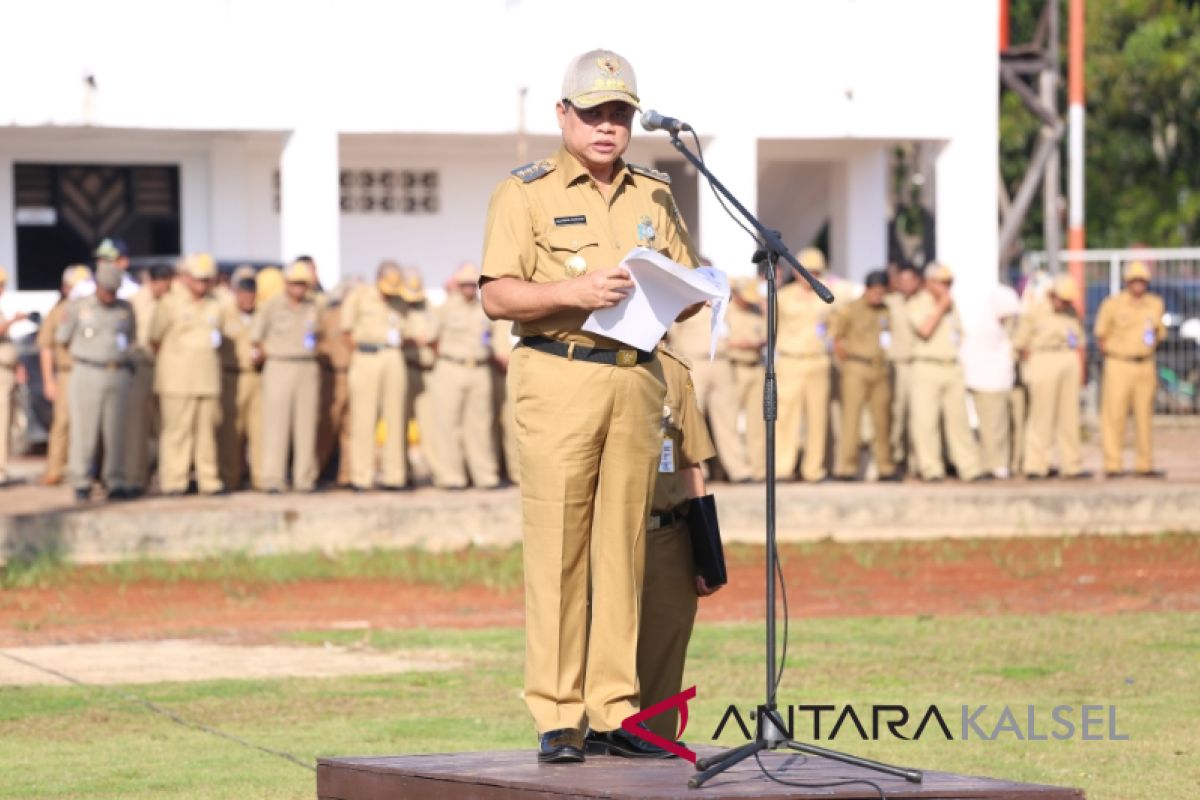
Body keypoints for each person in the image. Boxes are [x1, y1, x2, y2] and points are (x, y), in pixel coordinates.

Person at [479, 48, 700, 763]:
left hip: (637, 379)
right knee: (559, 551)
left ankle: (614, 709)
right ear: (564, 114)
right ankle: (558, 714)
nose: (609, 127)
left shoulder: (655, 193)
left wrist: (695, 289)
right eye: (595, 112)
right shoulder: (526, 192)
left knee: (623, 550)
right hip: (560, 376)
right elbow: (496, 294)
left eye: (621, 114)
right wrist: (572, 294)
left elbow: (685, 278)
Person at [636, 344, 721, 741]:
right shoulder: (585, 363)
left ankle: (657, 753)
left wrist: (707, 555)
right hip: (608, 540)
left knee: (665, 660)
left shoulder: (672, 368)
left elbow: (690, 465)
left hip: (668, 536)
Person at [150, 254, 228, 496]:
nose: (202, 285)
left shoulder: (217, 304)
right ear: (184, 278)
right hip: (177, 379)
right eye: (198, 279)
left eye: (207, 280)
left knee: (207, 433)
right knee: (177, 432)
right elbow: (155, 337)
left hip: (207, 378)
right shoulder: (170, 303)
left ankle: (208, 480)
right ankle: (174, 481)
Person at [57, 262, 136, 500]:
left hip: (117, 372)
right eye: (107, 290)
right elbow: (62, 338)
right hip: (87, 371)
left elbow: (131, 337)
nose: (110, 295)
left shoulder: (125, 309)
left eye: (115, 291)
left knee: (116, 431)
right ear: (98, 286)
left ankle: (115, 480)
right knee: (84, 430)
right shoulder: (79, 308)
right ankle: (81, 480)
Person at [906, 262, 983, 482]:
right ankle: (931, 469)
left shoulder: (951, 304)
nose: (947, 287)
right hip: (926, 366)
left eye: (949, 283)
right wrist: (940, 307)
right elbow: (924, 330)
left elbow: (959, 334)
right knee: (926, 421)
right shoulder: (917, 302)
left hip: (951, 366)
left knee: (959, 421)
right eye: (942, 283)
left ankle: (969, 467)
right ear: (929, 283)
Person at [667, 276, 749, 482]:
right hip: (695, 363)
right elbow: (672, 333)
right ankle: (696, 469)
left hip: (722, 362)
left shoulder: (724, 305)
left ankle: (737, 469)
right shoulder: (685, 304)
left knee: (728, 418)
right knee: (693, 418)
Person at [253, 259, 323, 493]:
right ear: (285, 283)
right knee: (276, 425)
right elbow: (256, 338)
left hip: (306, 365)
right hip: (279, 364)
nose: (298, 289)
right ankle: (273, 478)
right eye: (294, 284)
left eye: (303, 284)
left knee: (306, 425)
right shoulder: (272, 305)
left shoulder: (314, 306)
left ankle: (304, 478)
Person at [429, 263, 500, 489]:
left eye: (472, 285)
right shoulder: (445, 308)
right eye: (465, 285)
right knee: (448, 424)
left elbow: (495, 339)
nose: (469, 289)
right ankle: (451, 476)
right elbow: (430, 337)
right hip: (451, 367)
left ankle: (484, 476)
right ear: (457, 286)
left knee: (480, 425)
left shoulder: (484, 309)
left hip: (479, 368)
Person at [341, 261, 410, 491]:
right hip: (367, 355)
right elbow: (346, 331)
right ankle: (362, 476)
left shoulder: (400, 298)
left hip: (393, 356)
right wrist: (361, 355)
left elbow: (408, 329)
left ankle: (395, 475)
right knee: (363, 418)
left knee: (396, 417)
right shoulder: (359, 295)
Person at [1095, 259, 1166, 477]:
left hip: (1145, 364)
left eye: (1142, 281)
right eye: (1134, 281)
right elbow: (1101, 335)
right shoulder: (1113, 304)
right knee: (1114, 415)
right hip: (1119, 363)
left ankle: (1145, 464)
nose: (1138, 285)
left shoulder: (1154, 304)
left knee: (1144, 417)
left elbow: (1160, 333)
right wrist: (1115, 354)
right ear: (1127, 282)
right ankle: (1113, 464)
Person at [1015, 275, 1088, 479]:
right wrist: (1029, 367)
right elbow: (1021, 343)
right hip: (1043, 357)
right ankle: (1037, 465)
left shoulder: (1071, 313)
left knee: (1069, 416)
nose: (1064, 303)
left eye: (1067, 300)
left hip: (1067, 357)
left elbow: (1079, 340)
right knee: (1041, 415)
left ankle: (1072, 465)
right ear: (1052, 295)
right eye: (1061, 299)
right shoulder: (1035, 310)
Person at [830, 270, 897, 481]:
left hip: (880, 369)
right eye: (876, 292)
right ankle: (847, 468)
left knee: (883, 420)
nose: (879, 296)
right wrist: (847, 364)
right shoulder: (850, 309)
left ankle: (885, 467)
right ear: (867, 289)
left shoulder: (885, 310)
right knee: (851, 419)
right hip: (856, 367)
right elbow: (837, 339)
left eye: (882, 292)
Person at [775, 247, 834, 482]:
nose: (810, 276)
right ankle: (783, 468)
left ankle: (814, 470)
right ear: (796, 272)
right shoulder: (783, 296)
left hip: (819, 361)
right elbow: (772, 327)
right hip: (791, 361)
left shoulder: (827, 295)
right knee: (787, 417)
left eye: (815, 271)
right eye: (805, 271)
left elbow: (835, 325)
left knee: (818, 419)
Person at [37, 265, 92, 486]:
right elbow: (46, 347)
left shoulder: (94, 309)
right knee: (63, 421)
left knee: (91, 422)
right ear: (65, 288)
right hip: (68, 372)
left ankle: (89, 468)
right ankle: (55, 469)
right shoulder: (59, 311)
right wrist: (49, 380)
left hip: (90, 370)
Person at [962, 284, 1022, 479]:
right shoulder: (983, 327)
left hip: (1000, 382)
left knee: (1000, 427)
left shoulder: (1002, 327)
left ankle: (999, 463)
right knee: (990, 429)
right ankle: (992, 464)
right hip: (985, 383)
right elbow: (974, 357)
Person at [125, 262, 173, 495]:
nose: (165, 288)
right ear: (152, 281)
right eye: (162, 283)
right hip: (143, 364)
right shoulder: (136, 301)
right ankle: (136, 477)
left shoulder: (173, 300)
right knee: (138, 424)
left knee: (165, 423)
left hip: (168, 365)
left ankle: (164, 475)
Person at [217, 267, 263, 491]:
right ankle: (229, 478)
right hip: (231, 376)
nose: (247, 297)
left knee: (259, 430)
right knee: (230, 431)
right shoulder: (224, 313)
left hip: (257, 377)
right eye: (243, 293)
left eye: (251, 292)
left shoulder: (263, 313)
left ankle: (261, 479)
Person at [725, 277, 767, 481]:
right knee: (730, 421)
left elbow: (768, 334)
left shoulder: (757, 310)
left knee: (756, 423)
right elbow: (718, 341)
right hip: (734, 368)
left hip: (755, 366)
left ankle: (758, 469)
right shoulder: (726, 311)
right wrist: (736, 345)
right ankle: (734, 468)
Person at [316, 281, 354, 487]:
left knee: (351, 428)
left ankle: (347, 475)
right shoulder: (328, 316)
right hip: (332, 376)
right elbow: (318, 343)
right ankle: (318, 470)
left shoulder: (358, 317)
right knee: (327, 426)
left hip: (354, 374)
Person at [886, 263, 922, 474]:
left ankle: (916, 463)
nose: (906, 285)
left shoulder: (925, 301)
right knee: (896, 414)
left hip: (918, 364)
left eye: (911, 280)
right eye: (903, 280)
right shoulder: (889, 303)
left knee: (919, 417)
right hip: (896, 365)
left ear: (918, 281)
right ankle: (896, 459)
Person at [0, 265, 28, 486]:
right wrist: (13, 321)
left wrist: (18, 364)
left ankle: (2, 468)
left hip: (7, 371)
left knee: (8, 422)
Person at [489, 315, 521, 485]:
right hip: (494, 372)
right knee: (491, 423)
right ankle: (500, 468)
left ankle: (516, 472)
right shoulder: (495, 316)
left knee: (513, 423)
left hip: (516, 370)